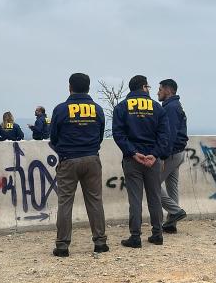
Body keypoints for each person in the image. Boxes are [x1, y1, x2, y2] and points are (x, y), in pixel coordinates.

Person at [49, 73, 107, 257]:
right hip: (92, 159)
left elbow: (54, 137)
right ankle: (100, 243)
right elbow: (100, 135)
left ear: (70, 87)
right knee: (95, 201)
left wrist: (64, 151)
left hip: (68, 160)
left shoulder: (61, 109)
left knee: (65, 203)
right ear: (88, 88)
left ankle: (62, 246)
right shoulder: (97, 109)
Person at [112, 75, 170, 248]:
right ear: (144, 87)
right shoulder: (157, 108)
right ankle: (157, 234)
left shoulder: (121, 107)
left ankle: (135, 237)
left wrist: (133, 152)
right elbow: (165, 135)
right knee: (155, 197)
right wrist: (155, 154)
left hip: (132, 160)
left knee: (135, 199)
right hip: (153, 160)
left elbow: (118, 134)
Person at [156, 78, 189, 233]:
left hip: (171, 153)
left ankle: (176, 211)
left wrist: (162, 156)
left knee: (153, 184)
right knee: (172, 187)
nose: (158, 92)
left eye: (160, 90)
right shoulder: (175, 105)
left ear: (168, 90)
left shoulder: (170, 108)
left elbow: (168, 135)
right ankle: (171, 224)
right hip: (178, 153)